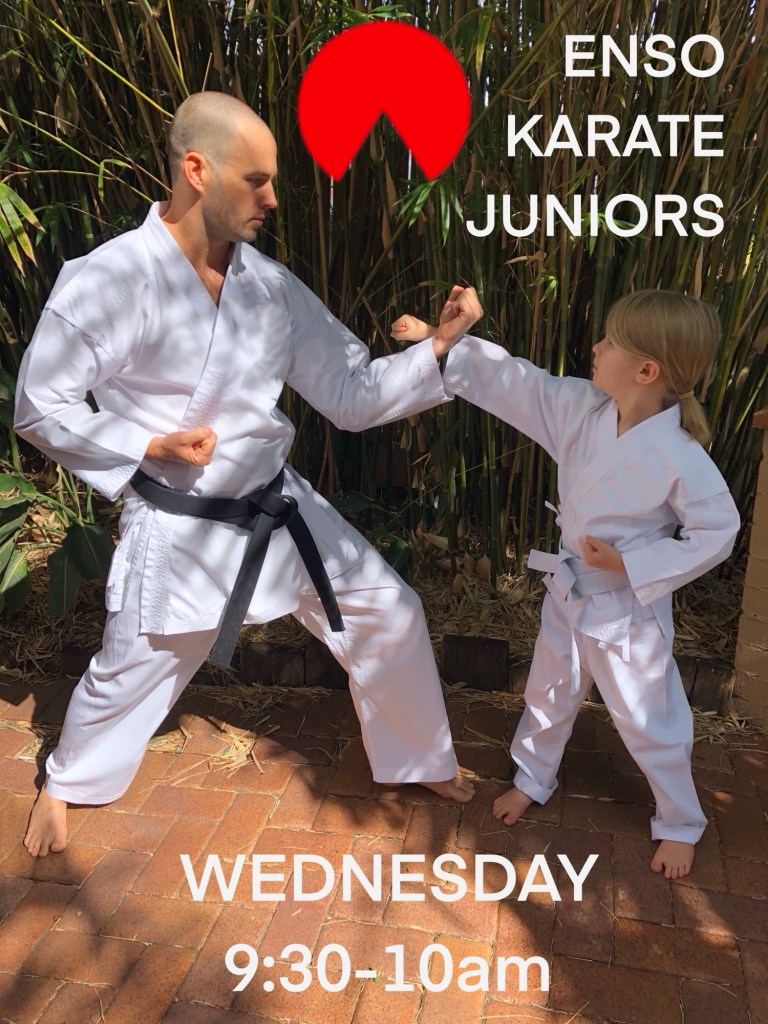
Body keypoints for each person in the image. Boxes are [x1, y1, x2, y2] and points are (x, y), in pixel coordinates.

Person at [14, 91, 484, 858]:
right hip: (182, 518)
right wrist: (146, 442)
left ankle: (419, 760)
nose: (271, 199)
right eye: (255, 181)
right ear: (197, 171)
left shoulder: (269, 285)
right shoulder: (110, 278)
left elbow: (351, 391)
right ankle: (67, 780)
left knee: (389, 609)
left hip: (278, 503)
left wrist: (439, 350)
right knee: (132, 667)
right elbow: (41, 403)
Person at [392, 289, 740, 879]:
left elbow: (718, 532)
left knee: (650, 719)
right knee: (549, 690)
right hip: (569, 589)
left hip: (627, 611)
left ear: (646, 371)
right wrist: (441, 340)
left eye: (610, 342)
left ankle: (681, 821)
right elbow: (519, 384)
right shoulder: (583, 409)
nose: (596, 347)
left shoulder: (680, 455)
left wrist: (631, 564)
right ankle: (534, 776)